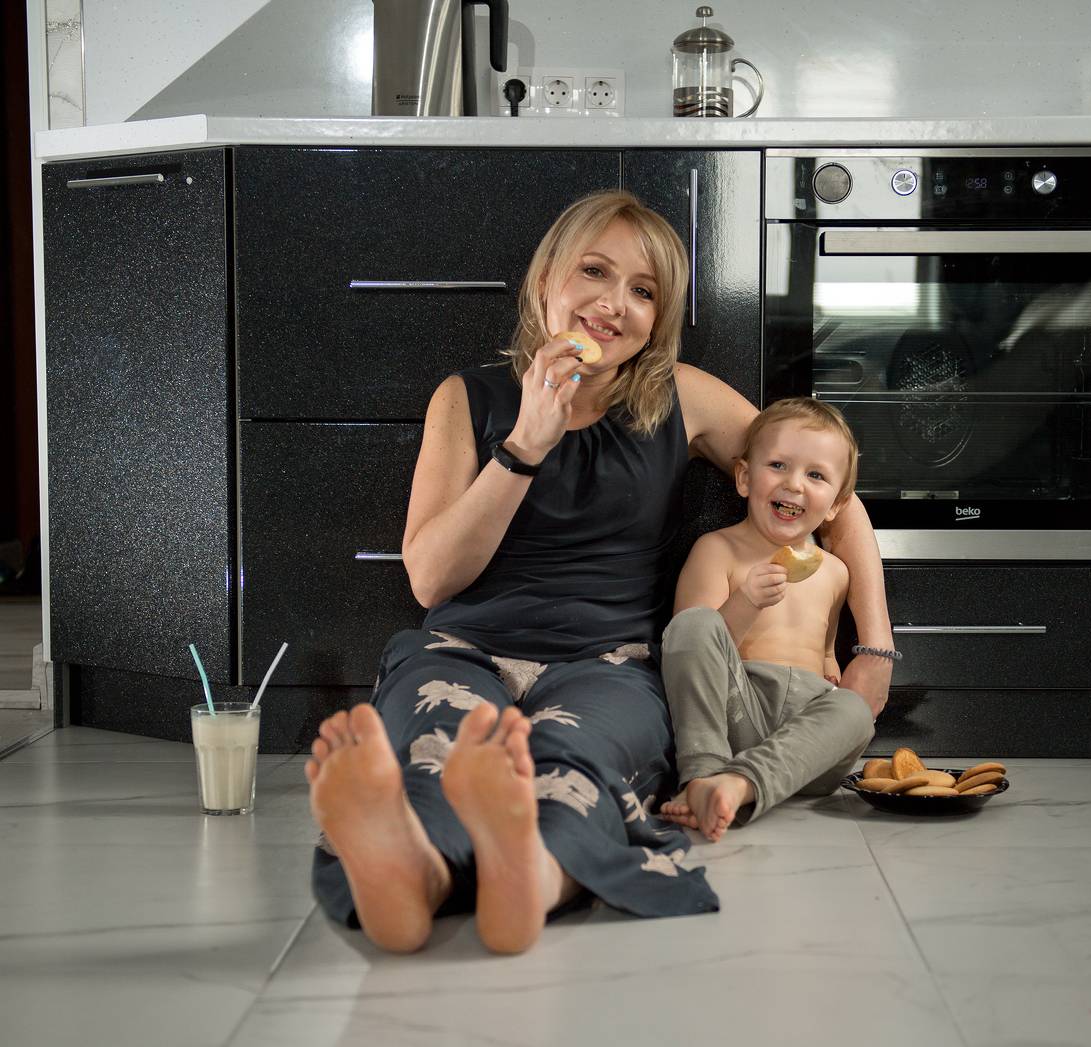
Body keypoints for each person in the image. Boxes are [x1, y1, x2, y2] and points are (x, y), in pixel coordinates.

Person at [301, 190, 896, 955]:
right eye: (595, 272)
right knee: (438, 748)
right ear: (548, 276)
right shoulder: (467, 398)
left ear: (659, 316)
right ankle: (414, 873)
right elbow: (430, 579)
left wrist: (874, 644)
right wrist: (526, 443)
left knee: (579, 764)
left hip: (610, 665)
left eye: (643, 291)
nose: (615, 304)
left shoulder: (680, 396)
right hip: (461, 649)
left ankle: (526, 873)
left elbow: (828, 489)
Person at [658, 397, 876, 841]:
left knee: (855, 708)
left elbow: (826, 645)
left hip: (807, 748)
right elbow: (691, 647)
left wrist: (830, 665)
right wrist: (745, 602)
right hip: (739, 713)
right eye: (778, 465)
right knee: (695, 623)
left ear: (837, 504)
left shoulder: (836, 572)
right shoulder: (718, 550)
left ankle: (739, 785)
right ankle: (706, 775)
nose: (793, 484)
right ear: (744, 477)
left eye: (816, 475)